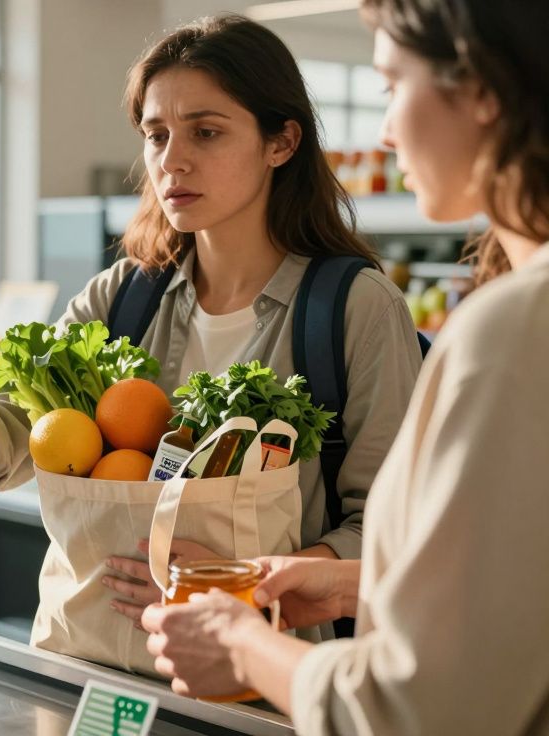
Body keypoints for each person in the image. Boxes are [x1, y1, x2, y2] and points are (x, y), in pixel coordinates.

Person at [0, 14, 422, 631]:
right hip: (93, 665)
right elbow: (23, 415)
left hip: (260, 687)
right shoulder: (126, 294)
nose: (172, 160)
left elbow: (388, 528)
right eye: (156, 135)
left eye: (206, 132)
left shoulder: (357, 309)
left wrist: (238, 586)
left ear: (281, 143)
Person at [141, 1, 549, 732]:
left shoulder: (512, 327)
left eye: (392, 86)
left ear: (483, 90)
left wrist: (240, 641)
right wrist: (354, 582)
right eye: (157, 134)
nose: (386, 130)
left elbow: (418, 708)